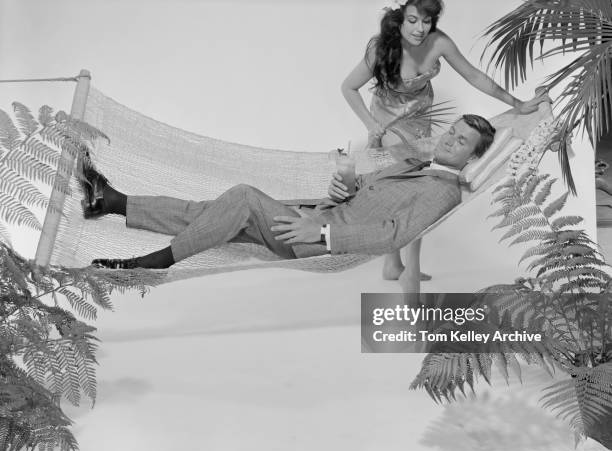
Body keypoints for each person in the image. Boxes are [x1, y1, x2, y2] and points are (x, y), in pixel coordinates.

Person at [83, 114, 495, 270]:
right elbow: (361, 195)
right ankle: (112, 202)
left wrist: (322, 234)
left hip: (311, 239)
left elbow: (394, 234)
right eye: (452, 132)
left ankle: (158, 261)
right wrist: (347, 182)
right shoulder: (415, 164)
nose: (449, 140)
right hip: (314, 215)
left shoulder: (444, 192)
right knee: (212, 212)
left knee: (242, 197)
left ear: (472, 159)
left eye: (461, 142)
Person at [341, 0, 549, 281]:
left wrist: (517, 103)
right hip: (387, 122)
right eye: (413, 20)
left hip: (421, 122)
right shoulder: (381, 47)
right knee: (408, 185)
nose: (419, 28)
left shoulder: (439, 42)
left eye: (426, 21)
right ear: (401, 19)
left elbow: (474, 75)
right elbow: (348, 87)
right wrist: (371, 125)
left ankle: (395, 266)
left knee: (413, 186)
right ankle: (406, 268)